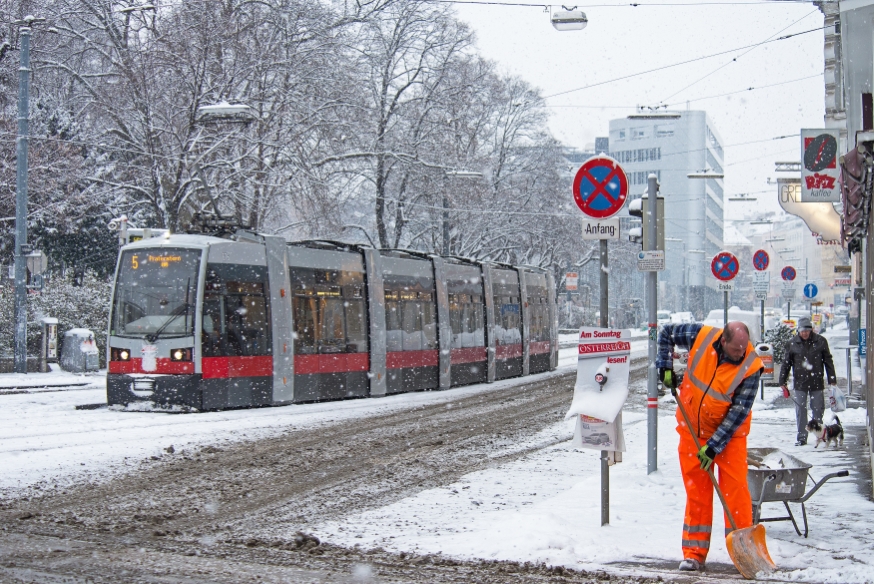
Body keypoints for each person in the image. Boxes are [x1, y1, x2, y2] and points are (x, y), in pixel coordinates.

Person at [657, 321, 763, 572]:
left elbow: (738, 413)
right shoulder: (701, 336)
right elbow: (665, 334)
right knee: (697, 495)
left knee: (736, 495)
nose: (741, 354)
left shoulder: (751, 367)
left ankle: (743, 554)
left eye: (744, 348)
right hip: (693, 433)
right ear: (723, 341)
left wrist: (715, 445)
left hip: (730, 439)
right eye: (736, 349)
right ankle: (693, 554)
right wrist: (665, 365)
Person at [778, 316, 837, 446]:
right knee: (801, 410)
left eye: (807, 330)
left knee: (818, 409)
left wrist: (832, 378)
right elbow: (786, 363)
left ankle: (820, 435)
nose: (804, 333)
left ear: (811, 330)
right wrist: (782, 380)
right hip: (800, 382)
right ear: (798, 331)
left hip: (817, 381)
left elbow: (828, 361)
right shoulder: (792, 343)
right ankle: (801, 437)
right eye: (802, 330)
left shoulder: (820, 341)